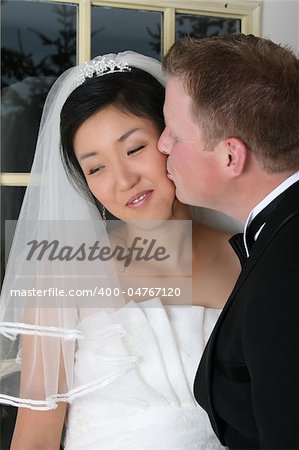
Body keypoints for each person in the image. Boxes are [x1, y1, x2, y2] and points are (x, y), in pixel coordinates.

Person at [0, 51, 239, 450]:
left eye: (134, 149)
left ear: (170, 139)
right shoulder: (63, 275)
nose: (124, 181)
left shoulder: (243, 255)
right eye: (96, 168)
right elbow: (36, 437)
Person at [158, 34, 299, 449]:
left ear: (230, 157)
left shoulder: (284, 277)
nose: (162, 144)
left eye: (175, 133)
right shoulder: (278, 236)